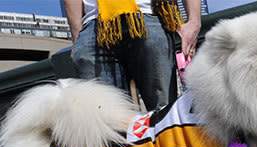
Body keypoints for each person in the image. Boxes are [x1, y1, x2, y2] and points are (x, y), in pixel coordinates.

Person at [64, 0, 201, 111]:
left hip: (149, 17)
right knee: (106, 123)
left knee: (164, 112)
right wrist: (78, 38)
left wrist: (194, 20)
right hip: (93, 27)